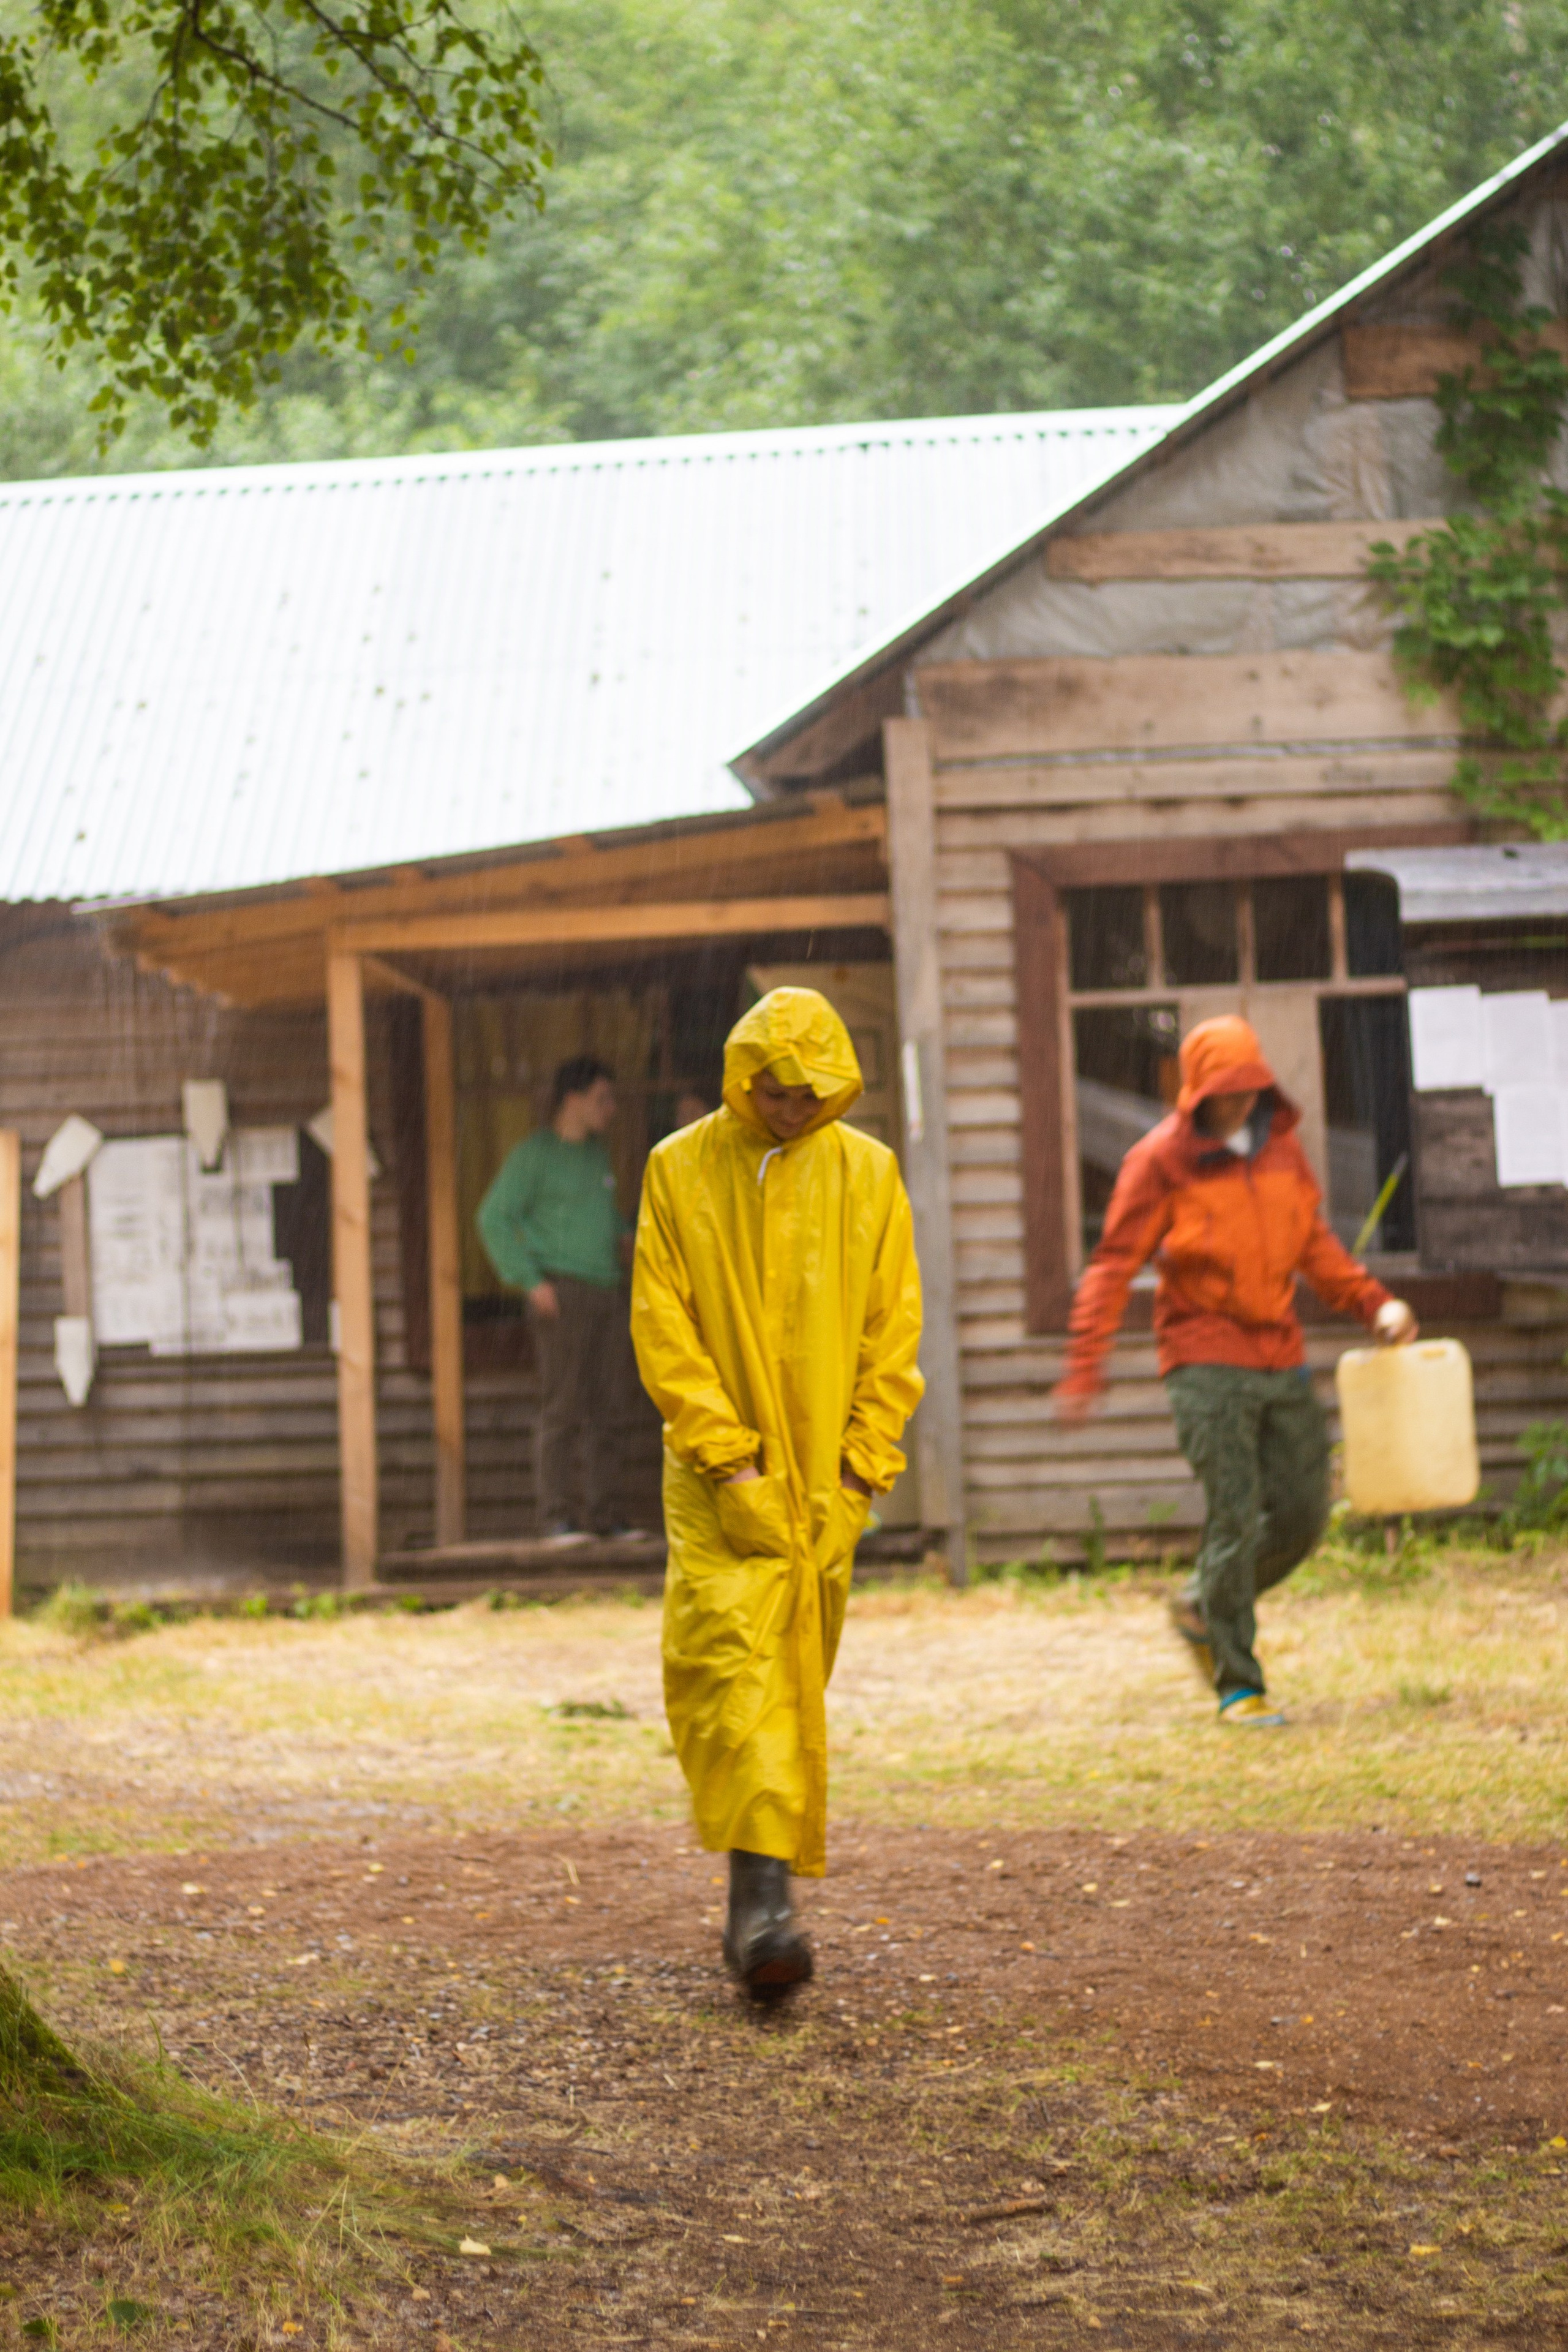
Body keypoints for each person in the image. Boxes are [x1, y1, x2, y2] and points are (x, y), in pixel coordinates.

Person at [631, 988, 923, 1994]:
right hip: (718, 1479)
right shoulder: (679, 1170)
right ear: (741, 1073)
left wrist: (856, 1471)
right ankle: (763, 1911)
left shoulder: (870, 1176)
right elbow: (663, 1327)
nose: (793, 1107)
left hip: (824, 1485)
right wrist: (731, 1460)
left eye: (812, 1091)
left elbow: (893, 1334)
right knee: (732, 1665)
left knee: (795, 1670)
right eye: (775, 1088)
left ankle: (755, 1903)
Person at [1054, 1014, 1417, 1727]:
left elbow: (1314, 1244)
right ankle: (1238, 1684)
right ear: (1196, 1092)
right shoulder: (1159, 1160)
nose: (1240, 1101)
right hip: (1202, 1358)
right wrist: (1085, 1361)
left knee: (1305, 1510)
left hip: (1277, 1354)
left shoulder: (1281, 1150)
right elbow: (1113, 1264)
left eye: (1250, 1087)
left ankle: (1201, 1602)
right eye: (1225, 1090)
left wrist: (1374, 1304)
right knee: (1235, 1514)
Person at [476, 1055, 637, 1544]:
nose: (610, 1109)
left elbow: (601, 1219)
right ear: (573, 1099)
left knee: (610, 1406)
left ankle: (606, 1515)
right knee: (563, 1407)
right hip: (561, 1292)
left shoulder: (597, 1154)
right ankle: (557, 1517)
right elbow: (493, 1218)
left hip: (608, 1289)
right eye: (601, 1099)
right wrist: (529, 1279)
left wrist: (631, 1239)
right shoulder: (534, 1156)